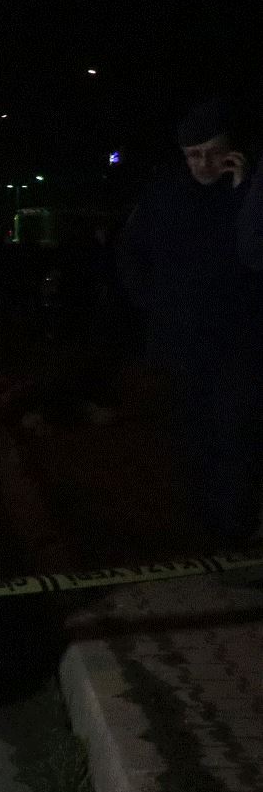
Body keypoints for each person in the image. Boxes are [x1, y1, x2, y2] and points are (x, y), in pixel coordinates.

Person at [120, 96, 259, 546]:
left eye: (210, 153)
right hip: (181, 340)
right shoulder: (166, 193)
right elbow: (131, 252)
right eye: (192, 154)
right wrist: (156, 303)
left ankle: (234, 531)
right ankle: (203, 530)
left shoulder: (248, 190)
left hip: (237, 341)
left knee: (235, 435)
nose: (202, 163)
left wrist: (242, 194)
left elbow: (249, 254)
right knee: (190, 438)